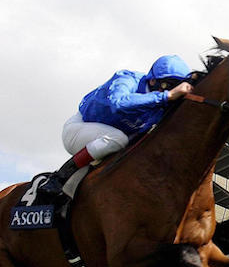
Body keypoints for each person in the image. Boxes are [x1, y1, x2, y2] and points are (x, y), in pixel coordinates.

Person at [39, 55, 195, 198]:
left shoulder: (161, 104)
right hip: (78, 130)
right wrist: (166, 96)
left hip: (107, 146)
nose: (171, 91)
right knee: (119, 138)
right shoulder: (127, 78)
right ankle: (60, 177)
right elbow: (119, 103)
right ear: (153, 80)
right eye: (168, 85)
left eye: (175, 87)